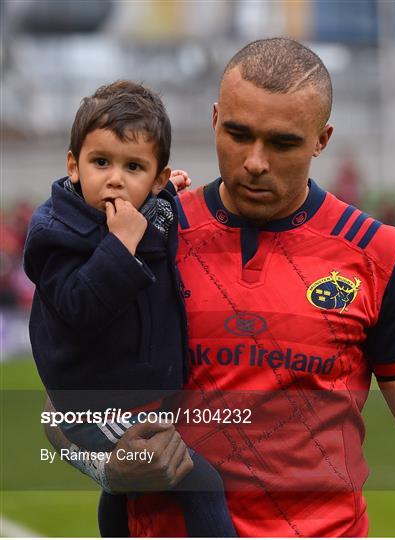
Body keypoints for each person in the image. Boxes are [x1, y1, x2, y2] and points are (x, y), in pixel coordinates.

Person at [45, 38, 395, 537]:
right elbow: (61, 405)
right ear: (215, 119)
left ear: (321, 139)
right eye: (238, 134)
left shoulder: (382, 257)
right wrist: (108, 469)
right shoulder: (141, 236)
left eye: (282, 143)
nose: (255, 161)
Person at [23, 80, 236, 537]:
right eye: (101, 162)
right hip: (89, 406)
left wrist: (164, 196)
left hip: (132, 395)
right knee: (199, 481)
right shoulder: (55, 234)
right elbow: (80, 306)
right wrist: (120, 245)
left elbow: (159, 232)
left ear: (158, 176)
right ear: (73, 166)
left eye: (134, 167)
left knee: (128, 489)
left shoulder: (141, 212)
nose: (115, 178)